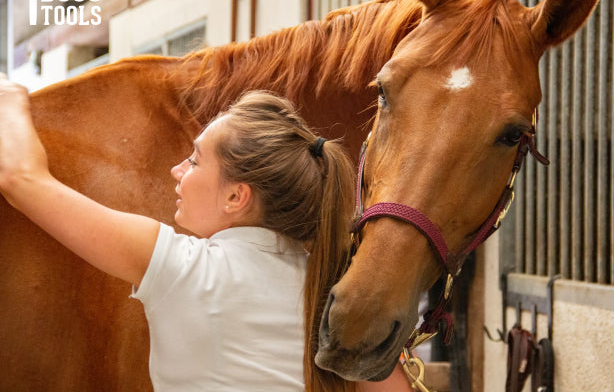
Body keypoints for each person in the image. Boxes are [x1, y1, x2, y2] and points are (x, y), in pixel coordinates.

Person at [0, 75, 412, 392]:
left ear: (236, 196)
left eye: (194, 162)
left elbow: (20, 178)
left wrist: (9, 95)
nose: (177, 171)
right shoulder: (331, 289)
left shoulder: (178, 267)